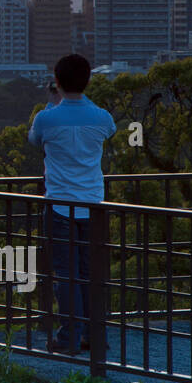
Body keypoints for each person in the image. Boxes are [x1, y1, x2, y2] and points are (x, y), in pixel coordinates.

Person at [28, 53, 116, 354]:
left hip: (60, 205)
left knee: (66, 276)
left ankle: (68, 338)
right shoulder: (102, 117)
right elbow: (110, 132)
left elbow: (34, 140)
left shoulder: (47, 118)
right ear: (88, 81)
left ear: (56, 81)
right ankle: (95, 336)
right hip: (94, 205)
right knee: (92, 274)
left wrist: (52, 103)